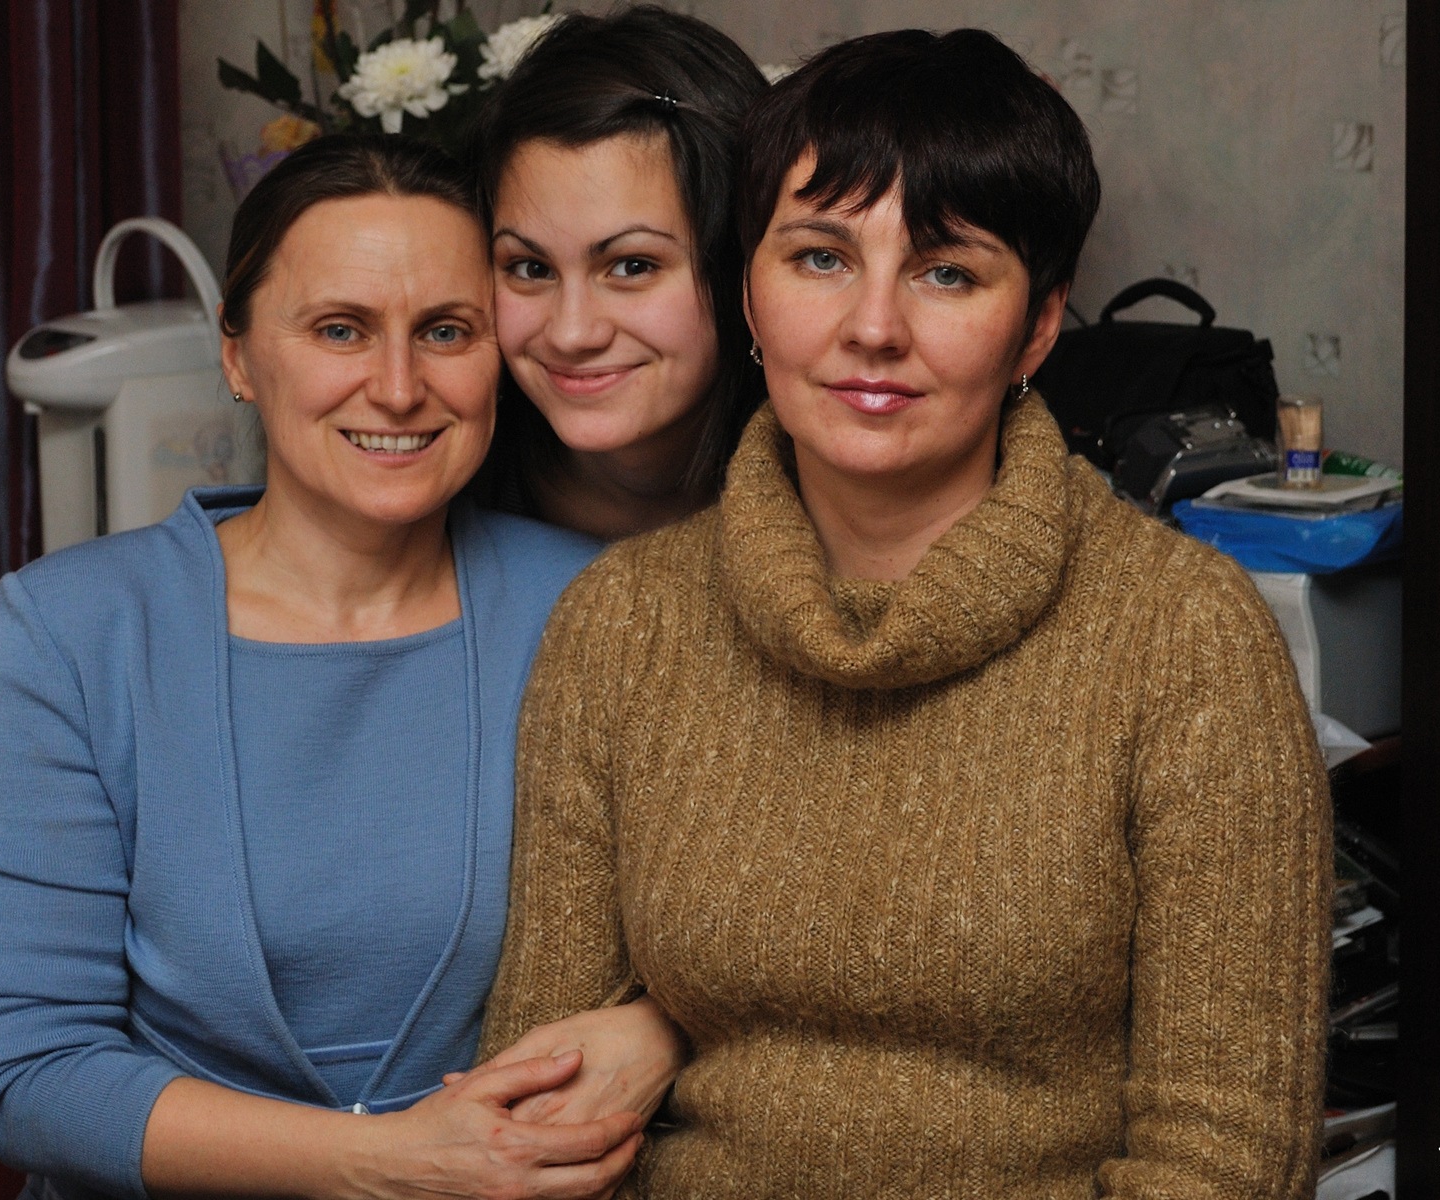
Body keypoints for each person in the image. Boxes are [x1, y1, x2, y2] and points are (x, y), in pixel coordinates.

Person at [479, 29, 1332, 1198]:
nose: (874, 325)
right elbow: (545, 1112)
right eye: (820, 258)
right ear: (749, 294)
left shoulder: (1185, 639)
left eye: (947, 273)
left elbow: (1225, 1155)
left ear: (1038, 326)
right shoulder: (621, 626)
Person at [0, 134, 680, 1200]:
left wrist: (666, 1026)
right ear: (239, 357)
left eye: (445, 331)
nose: (398, 387)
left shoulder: (599, 605)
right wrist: (391, 1164)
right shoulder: (76, 630)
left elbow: (743, 932)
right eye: (341, 329)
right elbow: (30, 1074)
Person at [468, 6, 767, 539]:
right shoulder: (438, 501)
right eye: (531, 268)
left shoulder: (841, 501)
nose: (572, 333)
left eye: (632, 266)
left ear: (739, 264)